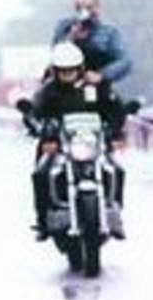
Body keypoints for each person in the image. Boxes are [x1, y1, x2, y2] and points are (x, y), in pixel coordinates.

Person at [28, 42, 127, 241]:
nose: (67, 74)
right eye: (63, 70)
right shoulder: (48, 91)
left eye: (71, 70)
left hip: (93, 144)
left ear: (80, 68)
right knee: (40, 173)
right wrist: (40, 129)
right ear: (55, 71)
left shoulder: (96, 87)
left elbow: (116, 109)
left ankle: (115, 215)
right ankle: (42, 220)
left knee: (118, 169)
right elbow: (33, 113)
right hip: (58, 145)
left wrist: (115, 132)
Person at [52, 0, 133, 88]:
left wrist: (101, 75)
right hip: (65, 84)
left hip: (97, 86)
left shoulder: (109, 31)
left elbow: (125, 61)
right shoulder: (65, 26)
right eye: (79, 9)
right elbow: (54, 54)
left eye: (89, 8)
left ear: (97, 8)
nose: (85, 13)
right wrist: (71, 38)